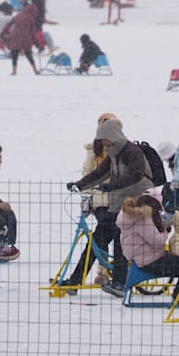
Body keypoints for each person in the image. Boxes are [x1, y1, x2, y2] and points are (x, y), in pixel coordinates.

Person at [65, 117, 152, 294]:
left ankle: (120, 283)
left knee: (121, 242)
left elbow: (135, 175)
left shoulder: (132, 152)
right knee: (96, 241)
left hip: (136, 205)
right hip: (117, 204)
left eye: (105, 139)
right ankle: (75, 281)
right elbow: (99, 174)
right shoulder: (113, 154)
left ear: (114, 136)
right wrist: (79, 185)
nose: (104, 143)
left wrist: (112, 185)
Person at [117, 194, 179, 305]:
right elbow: (158, 242)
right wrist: (165, 231)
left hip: (143, 258)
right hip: (150, 261)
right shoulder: (142, 220)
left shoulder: (133, 217)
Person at [1, 2, 40, 75]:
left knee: (14, 53)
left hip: (16, 37)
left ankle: (14, 71)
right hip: (26, 39)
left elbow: (9, 24)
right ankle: (35, 69)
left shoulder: (18, 15)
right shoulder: (30, 18)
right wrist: (37, 43)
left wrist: (3, 32)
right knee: (28, 54)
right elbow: (33, 32)